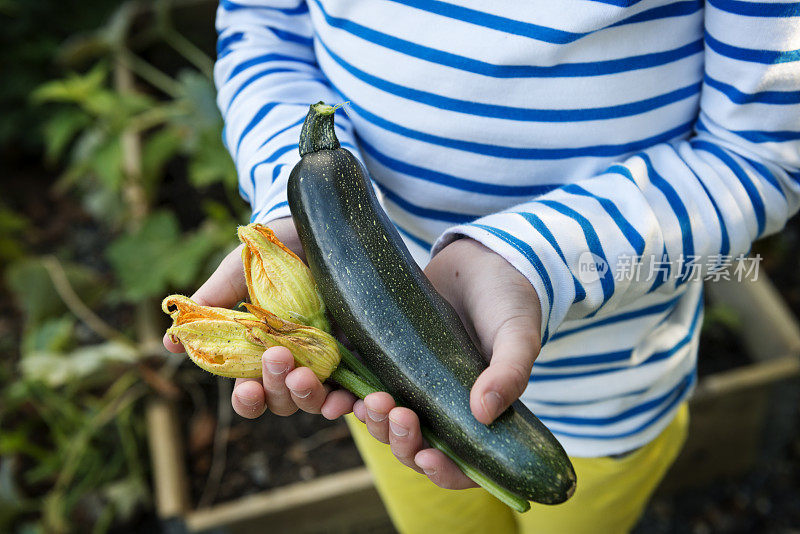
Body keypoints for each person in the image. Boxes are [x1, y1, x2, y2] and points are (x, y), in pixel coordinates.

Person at [164, 1, 800, 532]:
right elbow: (265, 28)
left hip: (608, 393)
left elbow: (760, 157)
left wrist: (532, 259)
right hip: (388, 381)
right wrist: (302, 200)